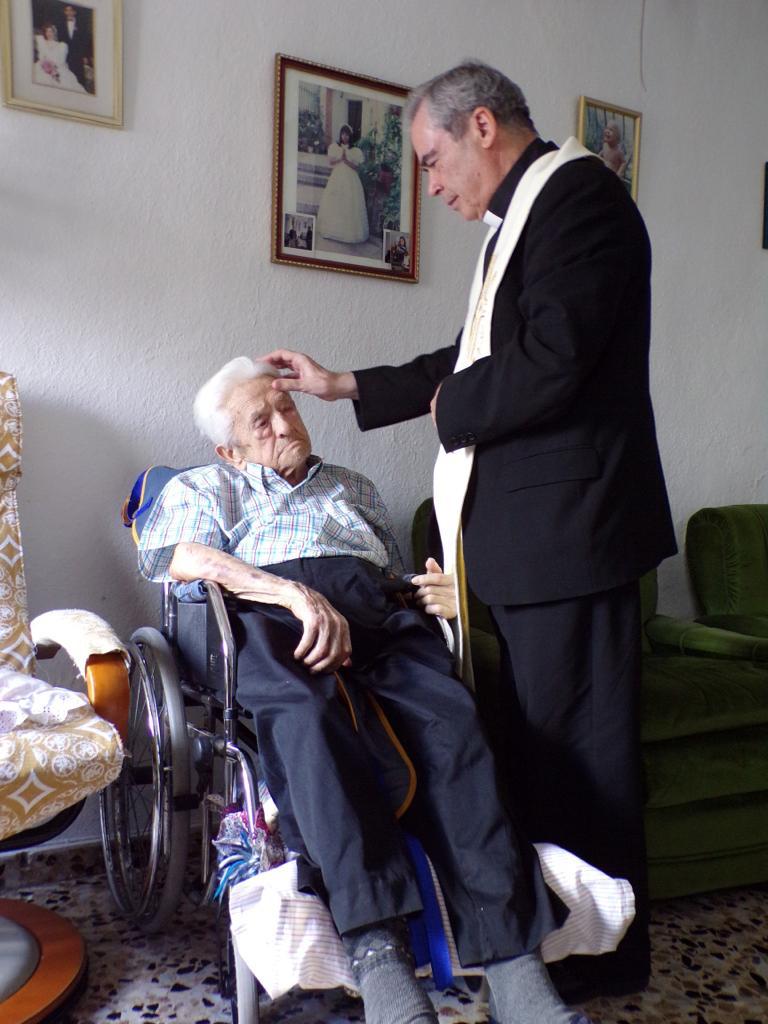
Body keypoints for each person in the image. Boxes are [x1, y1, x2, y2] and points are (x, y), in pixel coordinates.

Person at [261, 60, 677, 1002]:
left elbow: (551, 358)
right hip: (535, 543)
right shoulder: (521, 219)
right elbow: (477, 355)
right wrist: (346, 385)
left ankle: (604, 964)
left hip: (575, 533)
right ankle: (555, 954)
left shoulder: (580, 200)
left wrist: (450, 407)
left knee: (587, 759)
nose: (432, 184)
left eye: (432, 159)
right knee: (541, 754)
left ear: (481, 125)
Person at [138, 357, 593, 1024]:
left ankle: (515, 968)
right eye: (260, 422)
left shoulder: (353, 487)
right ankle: (380, 960)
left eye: (286, 408)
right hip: (271, 620)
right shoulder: (205, 487)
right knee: (309, 719)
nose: (283, 424)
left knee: (452, 723)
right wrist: (292, 595)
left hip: (376, 617)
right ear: (228, 450)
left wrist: (437, 592)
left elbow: (392, 574)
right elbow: (177, 559)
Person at [317, 124, 369, 244]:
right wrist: (340, 158)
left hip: (350, 177)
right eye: (343, 134)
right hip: (338, 176)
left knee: (350, 201)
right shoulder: (335, 147)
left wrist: (346, 160)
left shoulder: (355, 150)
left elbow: (356, 167)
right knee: (335, 201)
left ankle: (349, 232)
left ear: (350, 136)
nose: (345, 137)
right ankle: (332, 230)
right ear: (340, 135)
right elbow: (331, 162)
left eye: (347, 135)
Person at [32, 23, 86, 93]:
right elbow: (41, 57)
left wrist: (53, 66)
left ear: (54, 33)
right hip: (43, 66)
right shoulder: (42, 43)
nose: (49, 33)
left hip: (56, 66)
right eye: (47, 31)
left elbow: (61, 61)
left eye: (51, 31)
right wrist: (45, 64)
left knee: (64, 81)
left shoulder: (61, 46)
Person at [56, 4, 93, 92]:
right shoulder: (61, 25)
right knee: (68, 76)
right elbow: (60, 41)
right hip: (66, 55)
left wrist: (85, 56)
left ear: (74, 12)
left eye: (71, 10)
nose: (69, 12)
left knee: (79, 75)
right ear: (65, 12)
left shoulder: (82, 25)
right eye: (67, 10)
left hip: (78, 55)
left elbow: (86, 41)